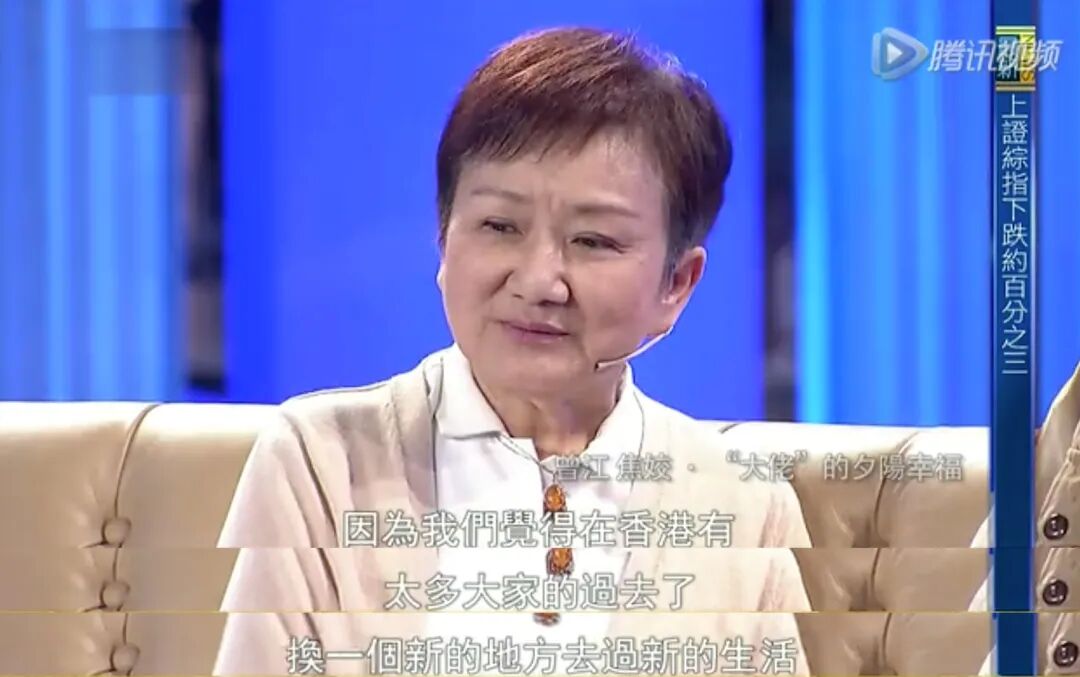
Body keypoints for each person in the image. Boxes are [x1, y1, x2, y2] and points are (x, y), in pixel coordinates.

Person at [213, 26, 813, 676]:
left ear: (676, 284)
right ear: (444, 240)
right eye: (499, 226)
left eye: (593, 241)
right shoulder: (320, 461)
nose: (537, 281)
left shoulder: (744, 505)